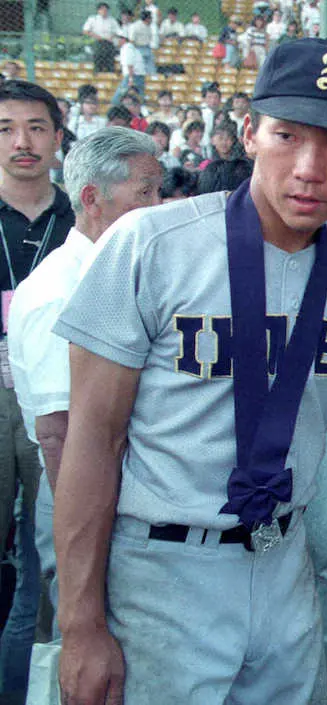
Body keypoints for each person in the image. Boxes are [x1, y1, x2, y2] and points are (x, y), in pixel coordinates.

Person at [50, 39, 327, 705]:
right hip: (164, 568)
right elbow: (92, 439)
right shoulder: (152, 246)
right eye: (287, 136)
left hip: (286, 561)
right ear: (249, 133)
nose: (309, 168)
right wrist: (80, 622)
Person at [7, 127, 161, 654]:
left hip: (118, 485)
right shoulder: (59, 291)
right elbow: (59, 436)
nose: (157, 206)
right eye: (145, 192)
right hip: (83, 494)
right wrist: (86, 541)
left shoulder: (119, 273)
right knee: (78, 641)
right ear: (93, 198)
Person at [0, 80, 74, 698]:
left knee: (52, 561)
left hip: (62, 399)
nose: (21, 142)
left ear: (57, 135)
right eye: (5, 129)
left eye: (35, 128)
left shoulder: (84, 216)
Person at [82, 3, 120, 74]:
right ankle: (97, 73)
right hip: (98, 42)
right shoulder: (93, 19)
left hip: (109, 42)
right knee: (98, 58)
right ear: (98, 11)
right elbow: (85, 31)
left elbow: (118, 31)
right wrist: (96, 36)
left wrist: (112, 37)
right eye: (102, 10)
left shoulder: (112, 20)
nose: (104, 11)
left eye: (106, 10)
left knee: (110, 61)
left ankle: (110, 73)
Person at [111, 31, 145, 105]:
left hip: (133, 76)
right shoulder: (130, 48)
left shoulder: (127, 48)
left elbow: (130, 64)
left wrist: (130, 79)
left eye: (118, 38)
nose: (116, 40)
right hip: (137, 76)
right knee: (138, 100)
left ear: (123, 39)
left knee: (116, 100)